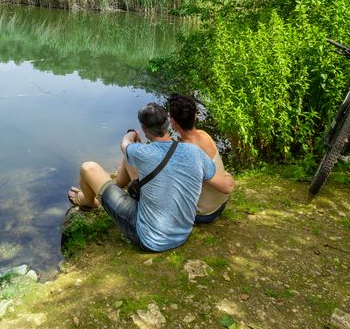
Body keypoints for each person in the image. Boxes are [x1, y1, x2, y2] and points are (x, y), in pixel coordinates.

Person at [67, 102, 234, 252]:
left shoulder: (142, 152)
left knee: (88, 168)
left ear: (145, 129)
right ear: (168, 124)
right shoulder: (194, 152)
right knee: (130, 159)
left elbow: (124, 144)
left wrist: (131, 134)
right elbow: (225, 184)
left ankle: (87, 201)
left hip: (149, 238)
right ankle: (114, 188)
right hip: (182, 234)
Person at [168, 93, 235, 223]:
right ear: (195, 116)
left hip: (205, 214)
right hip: (222, 202)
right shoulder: (204, 134)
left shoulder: (185, 153)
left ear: (173, 122)